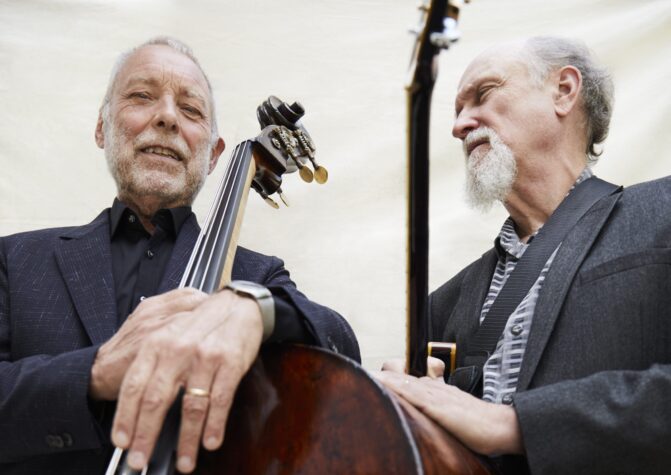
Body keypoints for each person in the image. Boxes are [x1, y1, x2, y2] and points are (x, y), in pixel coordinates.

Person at [0, 36, 360, 474]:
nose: (168, 117)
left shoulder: (256, 276)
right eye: (141, 96)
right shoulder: (16, 259)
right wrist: (94, 371)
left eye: (190, 110)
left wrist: (258, 309)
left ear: (213, 156)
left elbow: (342, 347)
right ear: (101, 129)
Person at [375, 36, 670, 474]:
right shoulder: (441, 305)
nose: (459, 126)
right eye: (457, 111)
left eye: (484, 94)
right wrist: (406, 409)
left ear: (564, 91)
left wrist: (514, 424)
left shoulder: (663, 210)